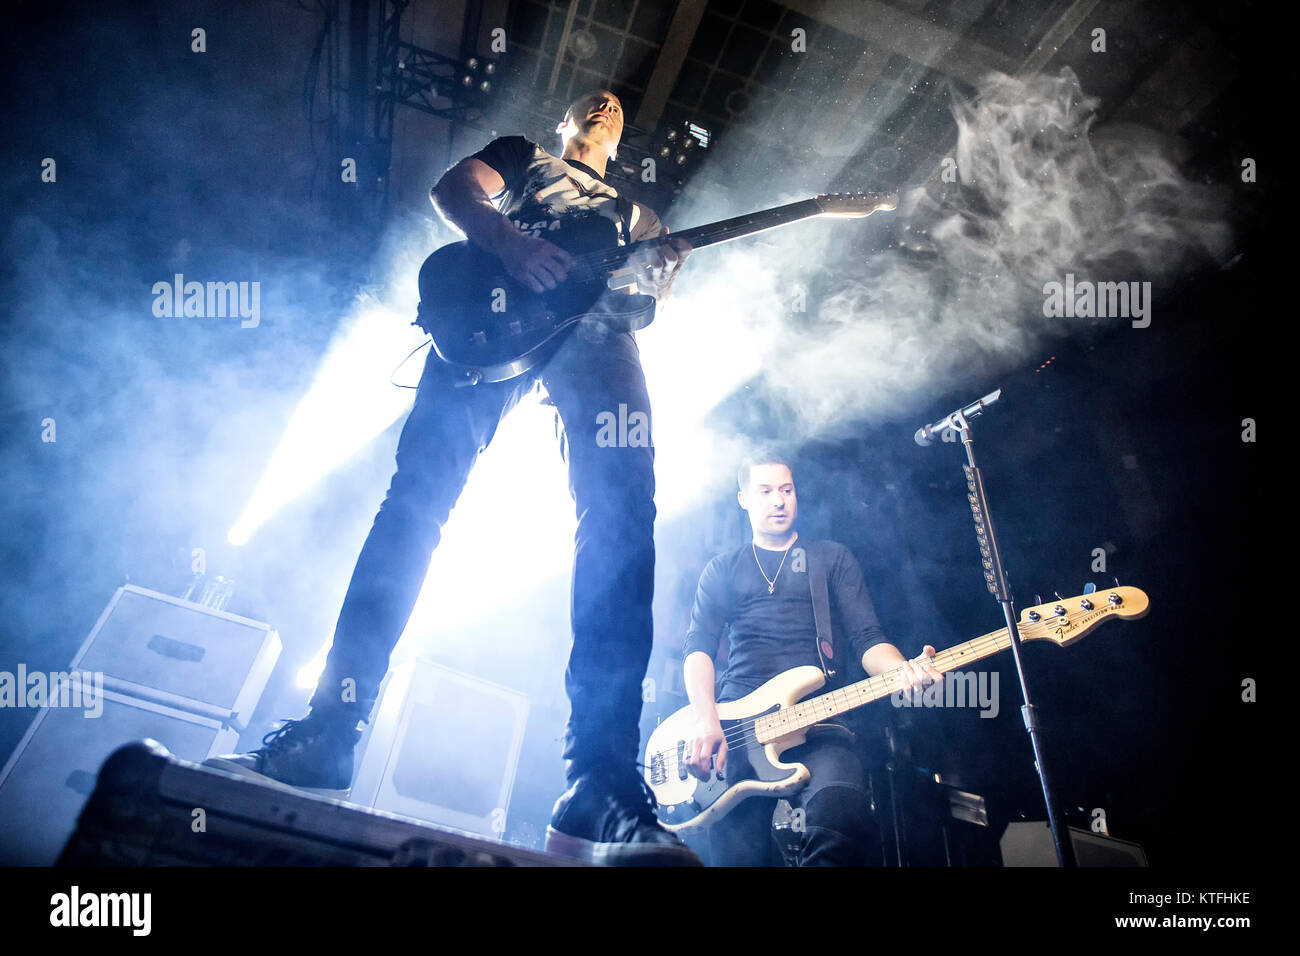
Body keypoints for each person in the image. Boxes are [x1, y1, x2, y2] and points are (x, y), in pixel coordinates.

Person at [207, 90, 698, 865]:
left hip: (593, 331)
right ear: (567, 122)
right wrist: (508, 244)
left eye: (616, 107)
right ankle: (330, 733)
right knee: (415, 505)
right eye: (590, 101)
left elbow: (650, 292)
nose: (606, 105)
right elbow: (452, 191)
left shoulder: (635, 213)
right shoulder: (525, 157)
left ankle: (598, 780)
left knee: (622, 516)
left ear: (624, 135)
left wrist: (660, 268)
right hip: (488, 311)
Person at [681, 450, 940, 865]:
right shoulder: (723, 569)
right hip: (739, 731)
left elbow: (869, 639)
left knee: (836, 822)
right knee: (737, 858)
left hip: (821, 725)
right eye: (765, 491)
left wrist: (902, 670)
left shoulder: (831, 558)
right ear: (744, 498)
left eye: (786, 489)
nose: (779, 501)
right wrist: (706, 717)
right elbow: (698, 649)